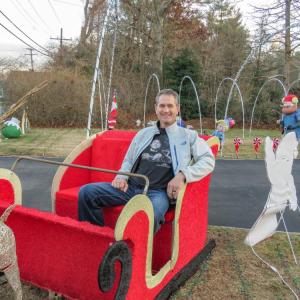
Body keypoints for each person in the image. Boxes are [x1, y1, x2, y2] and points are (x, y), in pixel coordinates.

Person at [78, 89, 215, 232]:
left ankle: (134, 251)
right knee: (87, 193)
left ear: (177, 109)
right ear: (156, 108)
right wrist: (122, 176)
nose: (166, 110)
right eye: (162, 106)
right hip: (130, 187)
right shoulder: (143, 134)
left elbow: (208, 160)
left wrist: (183, 175)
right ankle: (95, 237)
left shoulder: (188, 136)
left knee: (151, 214)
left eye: (170, 106)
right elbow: (129, 160)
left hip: (158, 193)